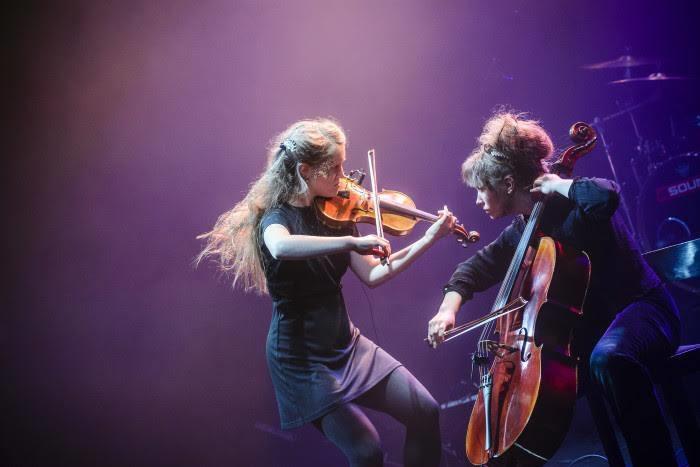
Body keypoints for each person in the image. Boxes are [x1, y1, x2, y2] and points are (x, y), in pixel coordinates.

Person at [427, 111, 681, 466]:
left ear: (509, 183)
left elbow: (606, 196)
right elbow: (473, 268)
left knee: (608, 359)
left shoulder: (575, 201)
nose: (478, 200)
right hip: (594, 333)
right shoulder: (523, 230)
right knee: (572, 371)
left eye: (482, 189)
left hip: (643, 311)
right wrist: (447, 310)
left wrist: (556, 183)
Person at [198, 118, 455, 467]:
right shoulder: (276, 217)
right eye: (334, 168)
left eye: (343, 166)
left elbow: (375, 273)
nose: (343, 176)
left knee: (426, 411)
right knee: (367, 452)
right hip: (301, 359)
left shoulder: (337, 213)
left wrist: (427, 239)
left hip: (345, 344)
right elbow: (281, 248)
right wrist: (351, 240)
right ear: (305, 171)